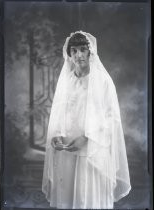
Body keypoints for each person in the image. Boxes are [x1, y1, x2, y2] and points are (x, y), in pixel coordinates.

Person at [42, 31, 131, 209]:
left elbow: (112, 119)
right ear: (69, 54)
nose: (78, 55)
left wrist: (87, 137)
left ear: (91, 52)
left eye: (83, 50)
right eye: (73, 51)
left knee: (88, 199)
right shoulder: (66, 81)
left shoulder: (104, 82)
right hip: (67, 151)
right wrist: (57, 135)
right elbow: (59, 114)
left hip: (93, 150)